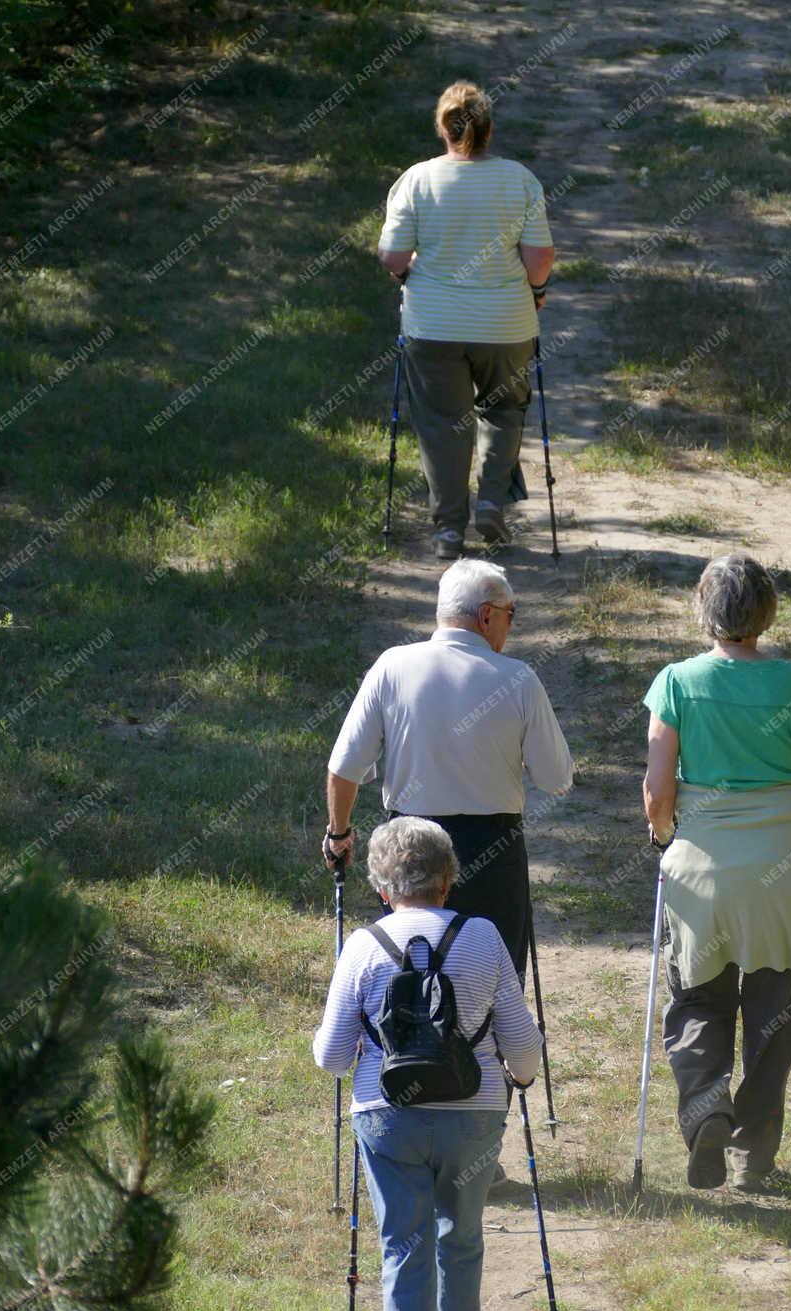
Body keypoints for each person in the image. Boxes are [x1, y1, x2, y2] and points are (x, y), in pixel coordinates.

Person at [314, 817, 541, 1311]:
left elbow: (333, 1057)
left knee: (403, 1249)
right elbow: (520, 1045)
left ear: (383, 887)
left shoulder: (363, 946)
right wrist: (520, 1077)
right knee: (461, 1234)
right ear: (450, 880)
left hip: (388, 1120)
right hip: (473, 1115)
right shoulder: (483, 937)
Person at [642, 553, 791, 1193]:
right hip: (784, 862)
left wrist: (664, 837)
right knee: (775, 1007)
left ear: (706, 610)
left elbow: (656, 790)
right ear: (767, 611)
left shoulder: (677, 682)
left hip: (702, 864)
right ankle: (753, 1155)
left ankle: (706, 1106)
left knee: (697, 994)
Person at [322, 558, 572, 983]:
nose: (511, 627)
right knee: (494, 983)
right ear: (486, 615)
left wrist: (339, 832)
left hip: (408, 848)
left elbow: (344, 767)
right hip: (491, 850)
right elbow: (557, 779)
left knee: (411, 977)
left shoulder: (391, 666)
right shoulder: (519, 680)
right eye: (511, 616)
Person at [378, 80, 555, 560]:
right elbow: (539, 256)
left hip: (432, 325)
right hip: (507, 324)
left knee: (442, 423)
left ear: (442, 128)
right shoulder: (519, 179)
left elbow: (392, 255)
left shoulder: (416, 180)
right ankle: (493, 501)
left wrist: (410, 273)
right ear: (489, 130)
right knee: (503, 410)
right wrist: (536, 291)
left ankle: (449, 530)